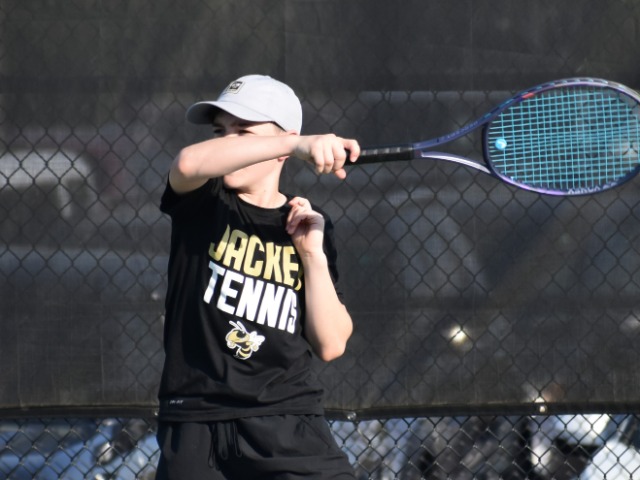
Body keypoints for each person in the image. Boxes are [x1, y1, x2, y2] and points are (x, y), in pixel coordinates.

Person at [156, 74, 360, 479]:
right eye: (220, 132)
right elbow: (188, 163)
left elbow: (331, 343)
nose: (227, 142)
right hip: (196, 422)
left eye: (243, 131)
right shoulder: (203, 199)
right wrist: (296, 145)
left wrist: (312, 255)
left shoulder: (308, 223)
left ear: (283, 142)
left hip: (286, 421)